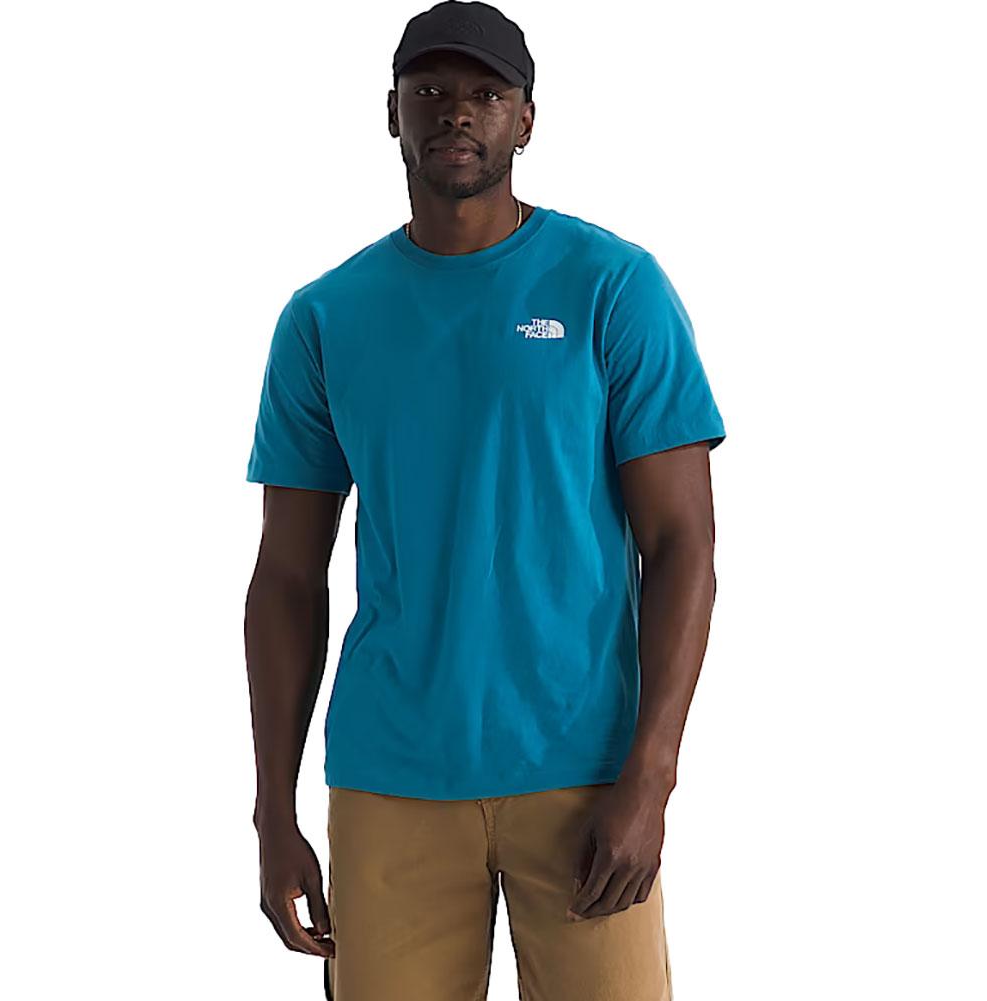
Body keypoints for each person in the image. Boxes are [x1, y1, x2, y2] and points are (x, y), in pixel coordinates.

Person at [243, 2, 726, 998]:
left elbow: (682, 542)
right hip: (390, 775)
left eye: (485, 94)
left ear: (525, 119)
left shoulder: (612, 287)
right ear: (392, 114)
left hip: (583, 772)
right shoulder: (325, 317)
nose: (455, 112)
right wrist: (271, 810)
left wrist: (650, 778)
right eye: (428, 92)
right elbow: (286, 576)